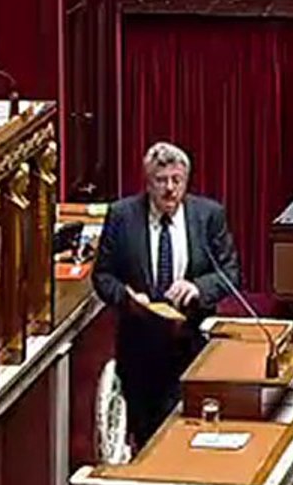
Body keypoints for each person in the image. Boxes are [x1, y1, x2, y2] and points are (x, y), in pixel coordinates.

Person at [92, 141, 241, 449]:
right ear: (148, 183)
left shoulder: (208, 215)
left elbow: (230, 273)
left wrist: (198, 287)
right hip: (140, 347)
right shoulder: (122, 216)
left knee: (189, 433)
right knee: (146, 438)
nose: (170, 189)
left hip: (191, 342)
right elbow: (102, 276)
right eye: (162, 181)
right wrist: (128, 296)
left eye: (177, 180)